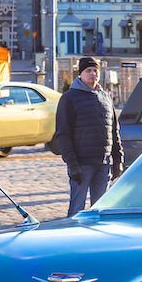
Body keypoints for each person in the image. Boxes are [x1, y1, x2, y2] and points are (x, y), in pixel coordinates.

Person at [54, 56, 123, 216]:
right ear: (80, 74)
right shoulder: (69, 98)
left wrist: (118, 159)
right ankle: (72, 239)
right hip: (81, 165)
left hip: (103, 164)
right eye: (88, 71)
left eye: (95, 70)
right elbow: (63, 135)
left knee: (100, 210)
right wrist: (72, 165)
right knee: (76, 210)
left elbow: (113, 131)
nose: (92, 74)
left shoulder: (105, 97)